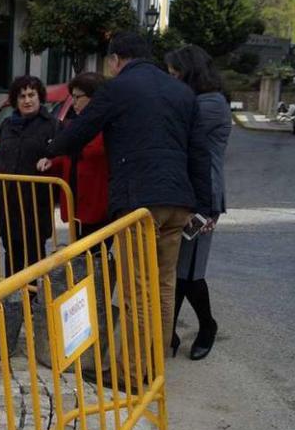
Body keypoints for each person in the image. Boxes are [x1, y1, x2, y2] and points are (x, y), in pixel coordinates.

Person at [43, 31, 213, 362]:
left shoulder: (117, 88)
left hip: (139, 204)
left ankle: (134, 371)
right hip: (178, 203)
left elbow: (80, 130)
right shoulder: (182, 92)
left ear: (115, 60)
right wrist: (203, 207)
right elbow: (200, 153)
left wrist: (51, 148)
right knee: (164, 286)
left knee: (137, 290)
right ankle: (156, 364)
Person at [165, 45, 231, 360]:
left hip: (204, 198)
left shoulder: (211, 104)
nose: (170, 79)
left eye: (174, 73)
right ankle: (169, 335)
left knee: (190, 272)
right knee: (178, 268)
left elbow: (176, 130)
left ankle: (207, 326)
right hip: (184, 192)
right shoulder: (195, 101)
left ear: (189, 73)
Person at [0, 75, 60, 277]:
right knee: (11, 253)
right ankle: (13, 300)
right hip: (8, 202)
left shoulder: (51, 125)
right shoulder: (6, 125)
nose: (27, 100)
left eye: (31, 95)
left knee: (34, 257)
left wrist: (50, 161)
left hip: (35, 205)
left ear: (40, 97)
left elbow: (58, 158)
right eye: (22, 96)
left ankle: (34, 301)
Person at [36, 72, 110, 241]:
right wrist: (51, 162)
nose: (73, 103)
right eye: (72, 97)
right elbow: (68, 157)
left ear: (93, 98)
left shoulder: (107, 127)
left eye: (78, 97)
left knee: (95, 256)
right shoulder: (73, 125)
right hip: (75, 204)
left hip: (98, 206)